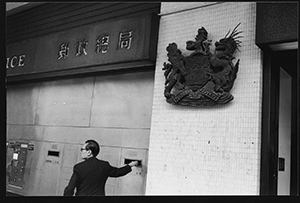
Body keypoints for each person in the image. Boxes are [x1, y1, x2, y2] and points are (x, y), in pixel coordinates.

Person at [63, 139, 138, 196]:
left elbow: (70, 189)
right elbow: (118, 172)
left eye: (82, 149)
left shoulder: (79, 167)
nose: (81, 152)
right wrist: (130, 165)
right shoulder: (104, 166)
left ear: (89, 152)